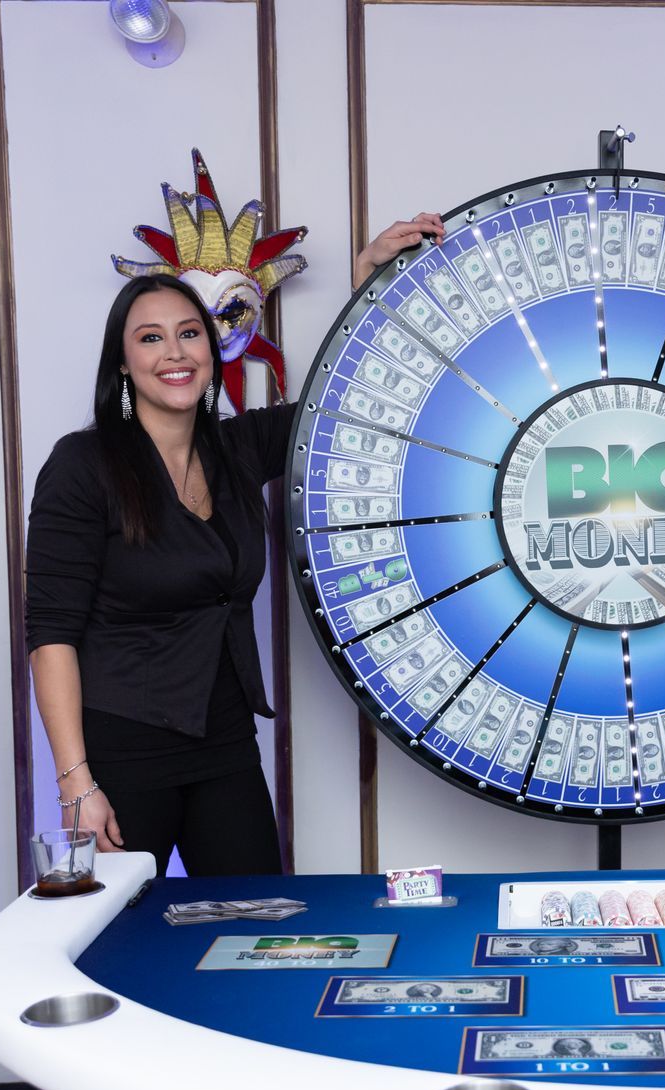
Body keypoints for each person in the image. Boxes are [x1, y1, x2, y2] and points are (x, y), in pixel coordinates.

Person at [26, 216, 443, 875]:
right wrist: (75, 782)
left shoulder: (235, 449)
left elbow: (344, 403)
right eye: (151, 338)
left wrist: (367, 282)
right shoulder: (84, 466)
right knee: (115, 947)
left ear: (210, 350)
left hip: (222, 740)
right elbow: (50, 637)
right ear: (124, 361)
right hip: (121, 749)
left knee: (260, 928)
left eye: (190, 333)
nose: (176, 352)